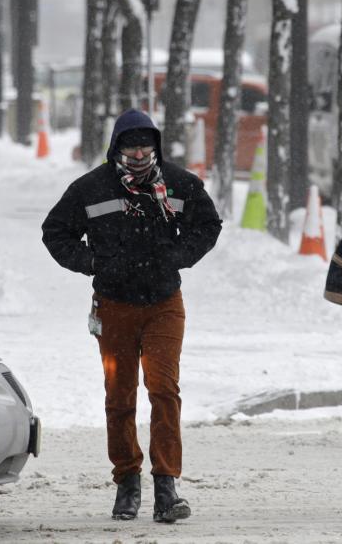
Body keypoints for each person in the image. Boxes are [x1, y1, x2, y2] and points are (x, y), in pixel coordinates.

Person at [42, 109, 222, 522]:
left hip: (164, 305)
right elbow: (55, 232)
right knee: (119, 395)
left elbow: (208, 225)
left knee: (163, 389)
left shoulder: (179, 184)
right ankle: (127, 481)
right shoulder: (90, 188)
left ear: (156, 146)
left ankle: (166, 486)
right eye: (130, 145)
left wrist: (178, 256)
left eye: (146, 145)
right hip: (114, 307)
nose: (139, 153)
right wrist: (92, 262)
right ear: (117, 147)